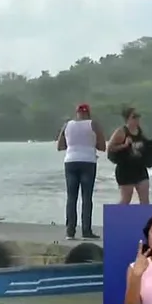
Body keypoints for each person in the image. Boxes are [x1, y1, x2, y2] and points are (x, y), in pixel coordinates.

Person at [57, 103, 104, 240]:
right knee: (86, 197)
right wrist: (90, 144)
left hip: (70, 161)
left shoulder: (67, 125)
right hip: (88, 162)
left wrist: (73, 144)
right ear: (88, 113)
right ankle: (86, 231)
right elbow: (102, 146)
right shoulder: (93, 124)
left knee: (71, 197)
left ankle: (70, 231)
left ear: (76, 113)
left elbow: (60, 146)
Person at [107, 107, 151, 205]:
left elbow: (144, 146)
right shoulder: (121, 131)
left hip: (140, 169)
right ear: (127, 119)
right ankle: (115, 214)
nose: (137, 119)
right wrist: (124, 145)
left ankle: (144, 215)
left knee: (145, 200)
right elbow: (109, 148)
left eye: (138, 116)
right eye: (134, 117)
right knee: (126, 199)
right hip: (125, 170)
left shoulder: (140, 131)